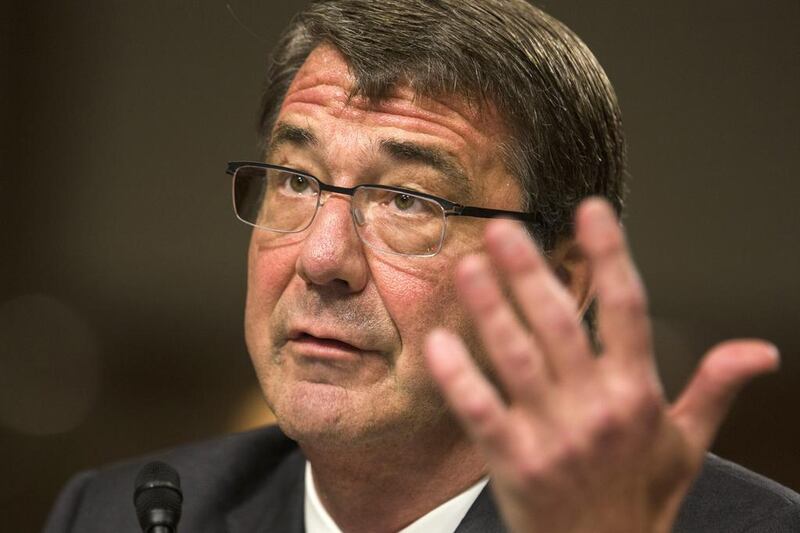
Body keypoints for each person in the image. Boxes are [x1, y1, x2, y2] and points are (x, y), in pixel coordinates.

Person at [44, 1, 800, 531]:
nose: (321, 257)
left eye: (408, 200)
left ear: (559, 282)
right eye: (297, 180)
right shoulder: (117, 513)